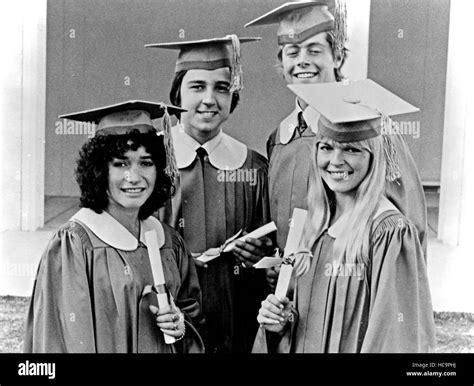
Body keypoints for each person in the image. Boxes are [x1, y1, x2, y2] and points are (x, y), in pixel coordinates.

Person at [244, 1, 428, 289]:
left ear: (338, 56)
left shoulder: (371, 126)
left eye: (314, 50)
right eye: (292, 53)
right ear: (282, 65)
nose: (302, 61)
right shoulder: (280, 137)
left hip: (348, 294)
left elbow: (409, 225)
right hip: (289, 298)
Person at [253, 80, 436, 353]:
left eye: (351, 149)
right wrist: (281, 321)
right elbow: (304, 323)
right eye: (326, 147)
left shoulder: (389, 232)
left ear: (374, 157)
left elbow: (394, 339)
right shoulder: (313, 226)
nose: (335, 160)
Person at [24, 101, 203, 353]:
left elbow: (191, 312)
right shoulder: (75, 245)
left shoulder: (167, 240)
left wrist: (180, 323)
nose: (134, 177)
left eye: (146, 162)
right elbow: (60, 340)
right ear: (99, 170)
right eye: (120, 164)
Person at [145, 36, 272, 353]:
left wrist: (260, 255)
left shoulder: (253, 167)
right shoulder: (148, 162)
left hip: (235, 316)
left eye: (222, 87)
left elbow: (271, 249)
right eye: (197, 87)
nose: (210, 99)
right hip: (163, 313)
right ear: (177, 94)